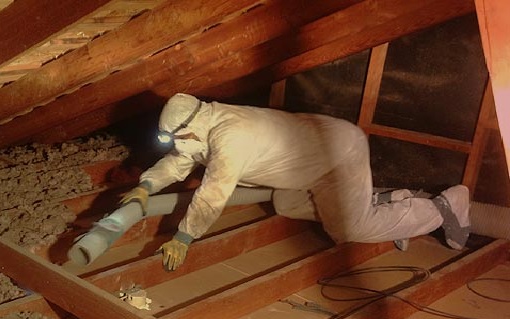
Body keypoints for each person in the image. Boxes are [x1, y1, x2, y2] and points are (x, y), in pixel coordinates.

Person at [120, 93, 471, 272]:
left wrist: (185, 236)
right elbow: (181, 160)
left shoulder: (231, 136)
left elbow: (214, 192)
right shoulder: (201, 124)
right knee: (285, 203)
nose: (177, 145)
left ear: (189, 128)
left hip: (338, 154)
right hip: (306, 161)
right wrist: (146, 185)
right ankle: (388, 203)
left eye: (176, 138)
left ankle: (441, 207)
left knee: (350, 228)